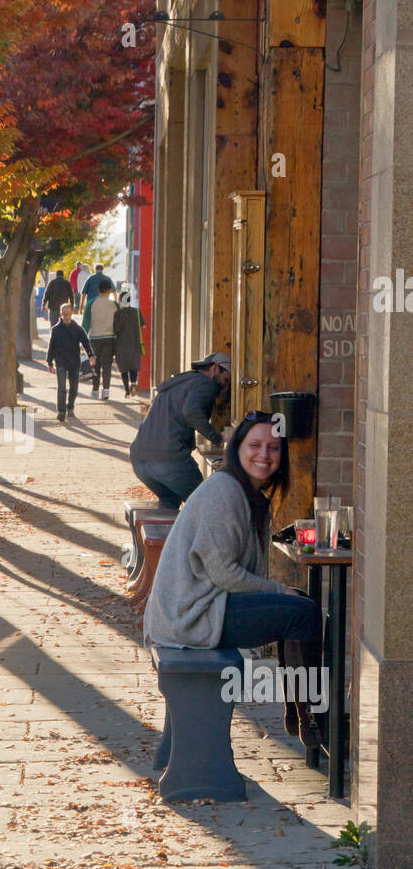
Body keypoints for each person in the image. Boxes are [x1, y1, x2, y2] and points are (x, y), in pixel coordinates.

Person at [144, 412, 324, 748]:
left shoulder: (249, 494)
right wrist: (276, 590)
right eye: (255, 445)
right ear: (237, 448)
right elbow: (223, 572)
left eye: (273, 447)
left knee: (301, 603)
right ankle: (310, 716)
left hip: (202, 607)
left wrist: (281, 593)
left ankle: (299, 709)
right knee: (301, 611)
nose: (264, 455)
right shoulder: (224, 492)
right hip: (190, 616)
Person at [129, 352, 231, 508]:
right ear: (216, 368)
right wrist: (219, 439)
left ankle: (167, 532)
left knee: (170, 502)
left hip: (139, 462)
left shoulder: (180, 382)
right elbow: (191, 413)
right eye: (226, 379)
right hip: (169, 461)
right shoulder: (205, 383)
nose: (226, 385)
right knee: (208, 506)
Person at [46, 301, 95, 420]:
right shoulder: (56, 330)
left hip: (74, 361)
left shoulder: (77, 329)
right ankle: (61, 411)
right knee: (62, 387)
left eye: (69, 314)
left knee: (74, 388)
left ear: (72, 314)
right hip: (61, 361)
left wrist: (91, 355)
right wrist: (49, 362)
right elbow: (51, 346)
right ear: (61, 315)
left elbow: (86, 342)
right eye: (65, 315)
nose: (67, 317)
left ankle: (70, 407)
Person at [86, 277, 118, 400]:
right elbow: (118, 323)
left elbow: (85, 323)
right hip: (109, 338)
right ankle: (106, 390)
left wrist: (82, 341)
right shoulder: (114, 304)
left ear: (98, 290)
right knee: (107, 366)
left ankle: (95, 389)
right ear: (109, 290)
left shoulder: (91, 303)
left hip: (94, 338)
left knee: (95, 365)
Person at [113, 289, 145, 395]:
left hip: (122, 345)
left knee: (123, 368)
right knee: (133, 366)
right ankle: (133, 383)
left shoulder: (118, 314)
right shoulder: (137, 311)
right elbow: (143, 326)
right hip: (135, 343)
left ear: (120, 301)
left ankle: (127, 389)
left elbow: (116, 330)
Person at [80, 263, 108, 331]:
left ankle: (87, 336)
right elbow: (114, 291)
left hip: (91, 304)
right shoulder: (106, 278)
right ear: (102, 269)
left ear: (95, 270)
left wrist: (81, 304)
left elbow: (84, 292)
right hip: (103, 304)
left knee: (88, 321)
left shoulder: (90, 278)